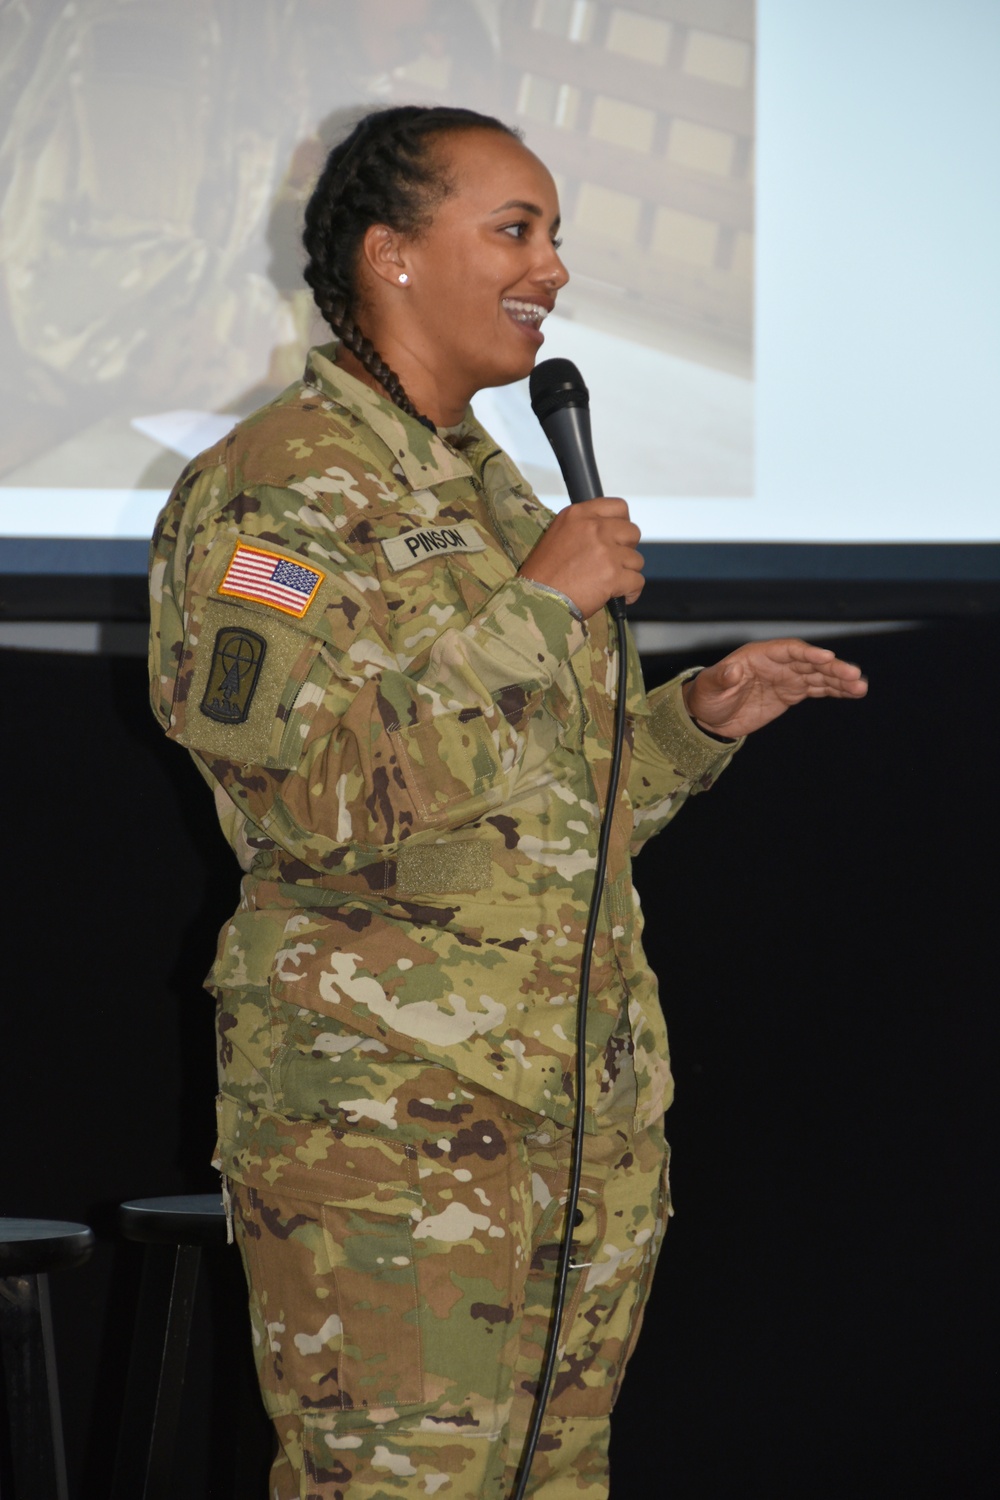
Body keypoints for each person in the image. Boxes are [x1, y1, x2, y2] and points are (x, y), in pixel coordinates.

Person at [148, 104, 866, 1500]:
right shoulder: (276, 494)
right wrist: (541, 610)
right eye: (515, 230)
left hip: (572, 1125)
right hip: (391, 1143)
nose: (553, 267)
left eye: (555, 236)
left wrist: (689, 725)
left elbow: (522, 821)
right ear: (392, 256)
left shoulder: (485, 491)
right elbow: (310, 801)